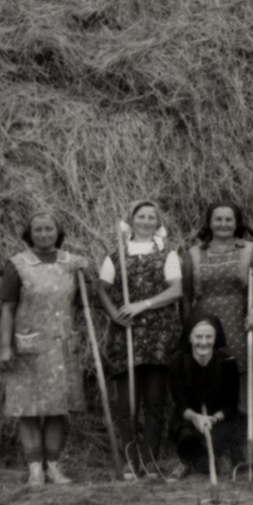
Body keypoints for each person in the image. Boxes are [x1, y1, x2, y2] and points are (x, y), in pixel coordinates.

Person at [0, 208, 91, 485]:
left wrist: (86, 273)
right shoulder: (17, 264)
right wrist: (5, 347)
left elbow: (88, 298)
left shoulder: (71, 262)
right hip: (28, 346)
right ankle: (34, 469)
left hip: (61, 346)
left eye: (49, 229)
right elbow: (7, 309)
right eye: (37, 229)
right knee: (27, 408)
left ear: (58, 232)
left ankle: (53, 466)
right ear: (29, 233)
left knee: (56, 408)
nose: (43, 234)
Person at [97, 200, 182, 478]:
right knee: (127, 404)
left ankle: (150, 461)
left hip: (159, 335)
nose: (146, 221)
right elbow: (102, 291)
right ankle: (131, 463)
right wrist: (115, 316)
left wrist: (142, 305)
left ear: (157, 222)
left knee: (155, 403)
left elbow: (176, 291)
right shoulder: (115, 256)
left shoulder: (168, 254)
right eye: (140, 216)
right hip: (127, 337)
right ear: (131, 220)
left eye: (151, 217)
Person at [181, 201, 253, 407]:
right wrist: (187, 327)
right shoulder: (193, 253)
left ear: (237, 223)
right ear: (209, 223)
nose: (223, 223)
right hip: (206, 321)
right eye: (218, 219)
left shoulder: (250, 250)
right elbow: (185, 294)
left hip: (241, 319)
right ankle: (216, 423)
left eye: (229, 219)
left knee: (243, 368)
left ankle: (247, 422)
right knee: (211, 368)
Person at [167, 313, 246, 478]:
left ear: (216, 338)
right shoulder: (178, 362)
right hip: (190, 418)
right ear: (189, 338)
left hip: (219, 419)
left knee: (217, 438)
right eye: (198, 336)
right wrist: (196, 418)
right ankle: (188, 462)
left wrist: (213, 419)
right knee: (187, 436)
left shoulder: (228, 362)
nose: (203, 342)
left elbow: (231, 403)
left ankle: (202, 461)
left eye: (209, 336)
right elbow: (180, 402)